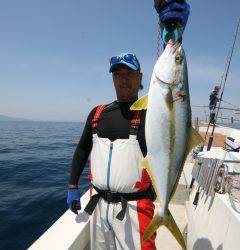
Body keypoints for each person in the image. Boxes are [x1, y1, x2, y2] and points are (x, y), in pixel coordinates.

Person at [67, 1, 190, 249]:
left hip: (137, 209)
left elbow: (171, 118)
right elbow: (82, 150)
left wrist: (175, 31)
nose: (124, 79)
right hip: (99, 207)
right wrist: (72, 185)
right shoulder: (97, 113)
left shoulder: (149, 113)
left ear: (141, 77)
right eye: (118, 74)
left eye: (130, 74)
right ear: (112, 78)